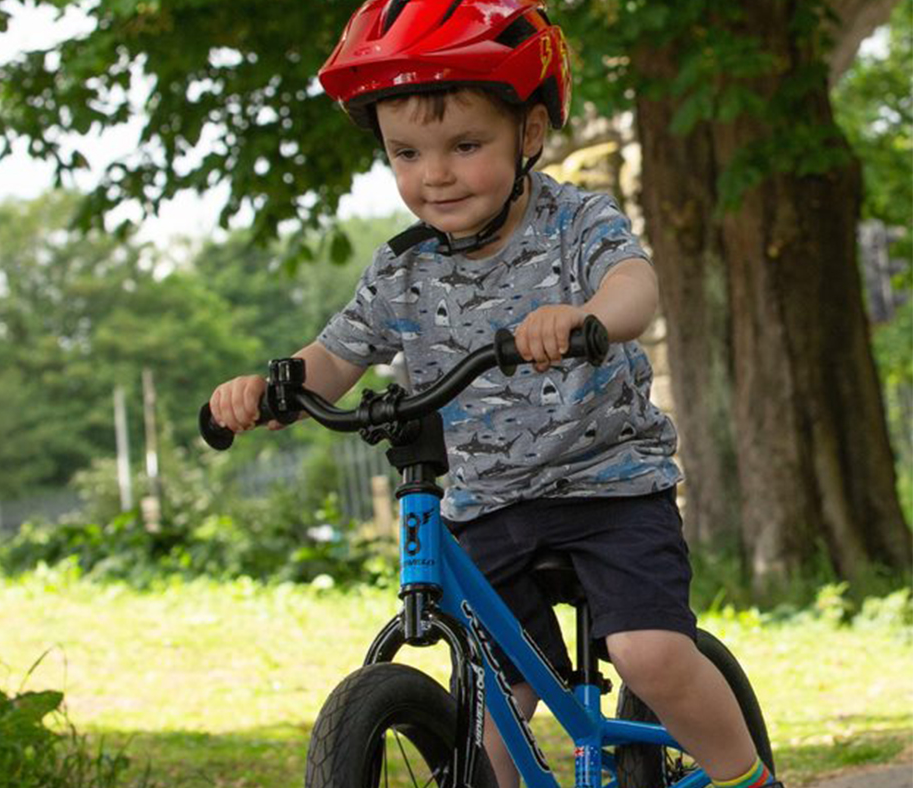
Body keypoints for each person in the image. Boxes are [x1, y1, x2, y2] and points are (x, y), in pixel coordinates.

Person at [206, 2, 778, 788]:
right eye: (406, 153)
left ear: (530, 137)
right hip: (490, 506)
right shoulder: (404, 269)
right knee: (493, 701)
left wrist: (587, 317)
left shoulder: (575, 223)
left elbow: (635, 287)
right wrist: (268, 389)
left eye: (465, 145)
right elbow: (333, 359)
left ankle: (748, 779)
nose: (433, 174)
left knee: (650, 652)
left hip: (610, 486)